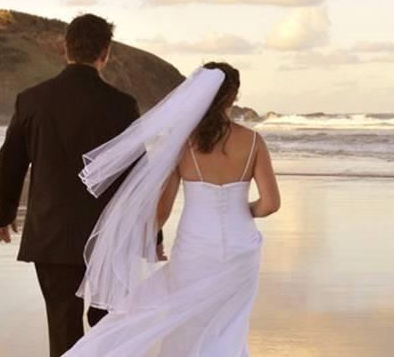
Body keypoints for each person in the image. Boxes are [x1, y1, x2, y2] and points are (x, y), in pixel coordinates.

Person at [63, 62, 281, 356]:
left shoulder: (183, 143)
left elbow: (162, 209)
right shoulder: (254, 141)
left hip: (196, 250)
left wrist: (147, 242)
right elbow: (270, 204)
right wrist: (244, 210)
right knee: (231, 326)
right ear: (233, 97)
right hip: (242, 251)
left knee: (187, 326)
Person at [0, 13, 163, 357]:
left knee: (62, 325)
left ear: (65, 49)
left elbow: (11, 160)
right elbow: (138, 177)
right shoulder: (121, 105)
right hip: (108, 238)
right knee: (107, 327)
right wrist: (151, 235)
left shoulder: (32, 99)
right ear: (106, 52)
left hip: (52, 236)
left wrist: (3, 212)